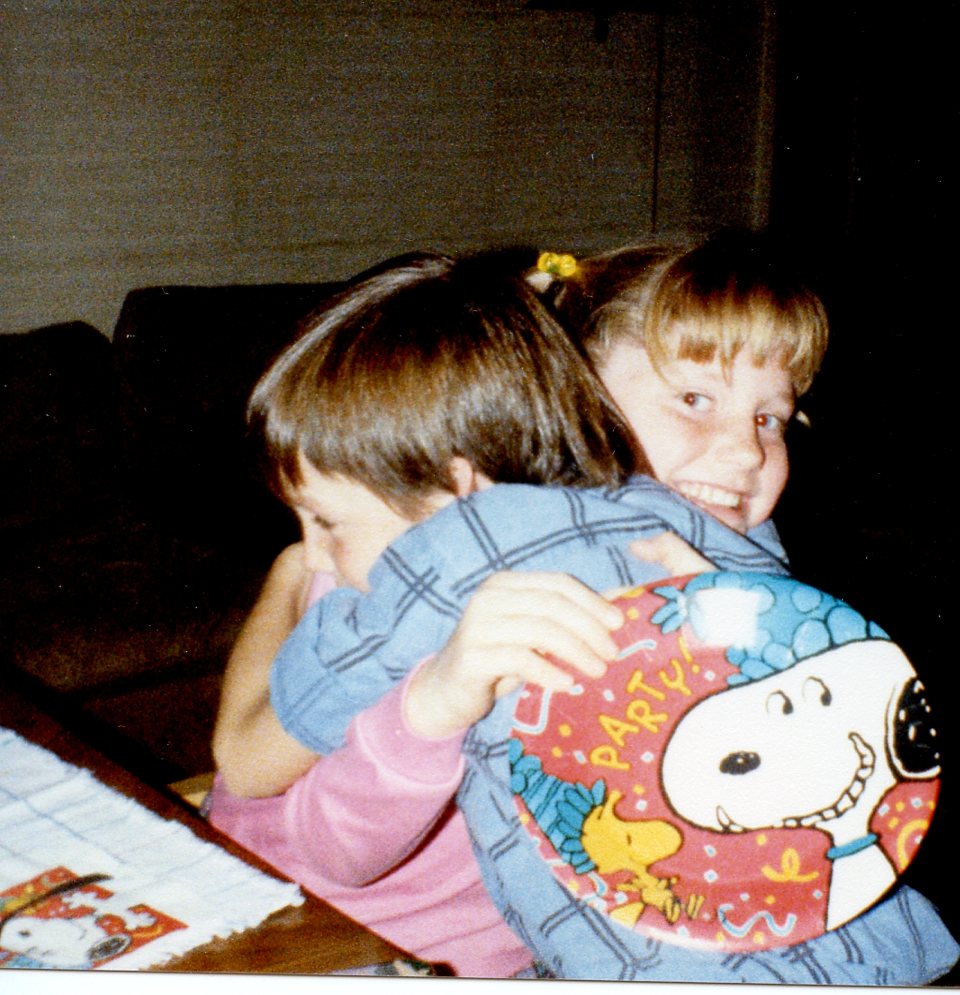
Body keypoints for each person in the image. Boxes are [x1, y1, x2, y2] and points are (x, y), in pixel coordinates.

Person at [208, 238, 958, 981]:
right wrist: (412, 683)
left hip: (510, 952)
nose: (744, 451)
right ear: (579, 391)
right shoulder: (424, 564)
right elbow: (248, 766)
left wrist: (745, 651)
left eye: (772, 418)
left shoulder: (737, 550)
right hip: (311, 922)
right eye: (693, 399)